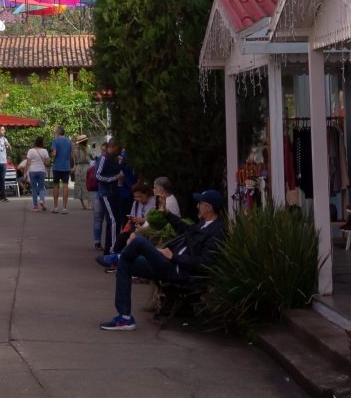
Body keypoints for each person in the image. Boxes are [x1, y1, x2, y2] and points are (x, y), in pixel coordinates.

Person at [100, 190, 228, 330]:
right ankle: (125, 318)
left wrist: (173, 257)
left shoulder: (216, 232)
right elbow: (183, 227)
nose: (197, 206)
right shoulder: (202, 225)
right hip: (169, 264)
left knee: (140, 242)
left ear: (208, 207)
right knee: (126, 264)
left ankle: (117, 257)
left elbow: (203, 263)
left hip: (178, 271)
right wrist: (166, 213)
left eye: (200, 204)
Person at [93, 139, 131, 255]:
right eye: (118, 148)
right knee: (114, 220)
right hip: (106, 193)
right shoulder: (104, 158)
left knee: (115, 220)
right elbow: (98, 176)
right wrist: (114, 178)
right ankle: (112, 249)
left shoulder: (114, 158)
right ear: (112, 146)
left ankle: (110, 246)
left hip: (113, 192)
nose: (119, 151)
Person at [49, 125, 74, 213]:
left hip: (57, 167)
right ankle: (64, 208)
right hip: (66, 167)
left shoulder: (55, 141)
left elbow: (54, 153)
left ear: (58, 132)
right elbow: (71, 155)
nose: (55, 132)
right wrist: (71, 166)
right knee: (65, 186)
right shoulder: (69, 141)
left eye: (56, 131)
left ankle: (55, 207)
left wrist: (51, 154)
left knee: (56, 186)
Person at [23, 137, 51, 211]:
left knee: (34, 189)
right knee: (41, 188)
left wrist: (25, 172)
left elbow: (28, 163)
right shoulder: (45, 151)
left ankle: (35, 207)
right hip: (41, 171)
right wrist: (45, 161)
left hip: (32, 171)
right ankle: (41, 200)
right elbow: (48, 162)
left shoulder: (30, 151)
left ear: (35, 142)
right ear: (42, 143)